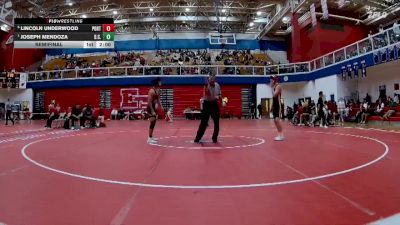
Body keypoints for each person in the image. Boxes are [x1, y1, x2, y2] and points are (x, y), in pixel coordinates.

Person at [194, 74, 221, 143]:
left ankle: (214, 138)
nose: (212, 80)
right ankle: (198, 138)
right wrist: (207, 86)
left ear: (215, 79)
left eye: (213, 79)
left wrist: (222, 99)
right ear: (209, 79)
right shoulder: (206, 86)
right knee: (204, 122)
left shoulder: (217, 85)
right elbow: (207, 94)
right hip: (207, 104)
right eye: (210, 79)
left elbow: (219, 94)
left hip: (214, 104)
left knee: (216, 122)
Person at [147, 77, 163, 144]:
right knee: (152, 122)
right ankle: (149, 138)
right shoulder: (151, 91)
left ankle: (151, 136)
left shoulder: (158, 90)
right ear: (157, 83)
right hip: (150, 108)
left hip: (154, 107)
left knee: (154, 122)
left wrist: (161, 106)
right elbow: (149, 102)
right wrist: (152, 110)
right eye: (159, 82)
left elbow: (158, 99)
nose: (161, 83)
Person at [271, 75, 284, 141]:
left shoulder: (278, 86)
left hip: (278, 106)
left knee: (277, 120)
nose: (270, 80)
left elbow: (274, 95)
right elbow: (273, 98)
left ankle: (281, 135)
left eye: (272, 79)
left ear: (275, 80)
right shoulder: (274, 87)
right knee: (275, 121)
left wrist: (271, 88)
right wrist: (271, 106)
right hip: (275, 105)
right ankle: (279, 134)